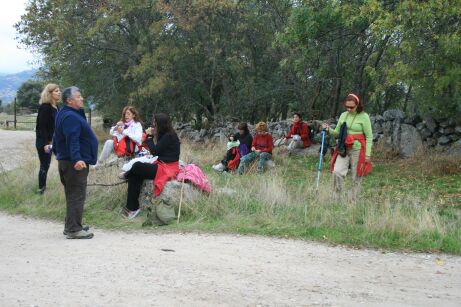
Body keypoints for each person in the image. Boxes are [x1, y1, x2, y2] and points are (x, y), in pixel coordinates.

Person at [53, 86, 98, 239]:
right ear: (69, 100)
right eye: (78, 96)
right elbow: (72, 139)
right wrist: (77, 158)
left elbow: (56, 137)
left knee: (72, 194)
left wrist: (59, 154)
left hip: (67, 161)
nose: (82, 98)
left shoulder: (65, 113)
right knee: (77, 195)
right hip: (74, 163)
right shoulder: (70, 117)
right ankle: (74, 230)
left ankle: (71, 225)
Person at [120, 113, 180, 219]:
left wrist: (149, 137)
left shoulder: (169, 136)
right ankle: (132, 209)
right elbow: (158, 151)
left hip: (168, 168)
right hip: (162, 164)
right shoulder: (165, 133)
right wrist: (152, 136)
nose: (153, 124)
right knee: (134, 175)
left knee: (137, 166)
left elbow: (155, 151)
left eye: (154, 122)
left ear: (159, 124)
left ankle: (127, 174)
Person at [322, 93, 373, 199]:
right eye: (347, 107)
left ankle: (352, 199)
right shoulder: (343, 115)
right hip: (343, 148)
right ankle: (337, 197)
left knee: (356, 176)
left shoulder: (364, 116)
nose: (349, 109)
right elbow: (336, 133)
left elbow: (369, 137)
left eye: (351, 107)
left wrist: (368, 155)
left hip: (357, 150)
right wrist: (328, 130)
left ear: (358, 105)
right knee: (337, 172)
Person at [35, 83, 61, 194]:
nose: (59, 92)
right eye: (56, 91)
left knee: (63, 162)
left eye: (59, 90)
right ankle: (41, 189)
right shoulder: (45, 107)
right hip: (45, 142)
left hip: (55, 141)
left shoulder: (56, 107)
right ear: (49, 93)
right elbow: (42, 127)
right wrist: (46, 143)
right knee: (45, 165)